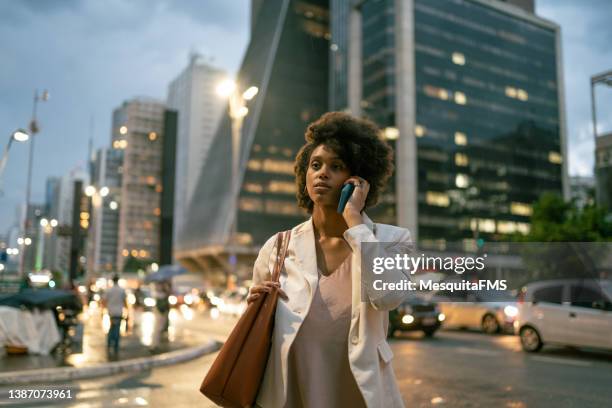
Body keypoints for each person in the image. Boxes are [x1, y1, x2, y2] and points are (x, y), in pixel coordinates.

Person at [248, 112, 413, 408]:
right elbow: (261, 327)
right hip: (290, 393)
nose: (322, 173)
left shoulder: (391, 240)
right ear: (304, 175)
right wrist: (255, 304)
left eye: (336, 166)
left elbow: (388, 296)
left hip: (358, 394)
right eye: (315, 165)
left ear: (359, 180)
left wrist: (354, 222)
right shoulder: (277, 247)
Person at [103, 274, 127, 356]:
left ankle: (109, 343)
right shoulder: (121, 290)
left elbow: (104, 300)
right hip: (119, 311)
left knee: (112, 327)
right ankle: (116, 345)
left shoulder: (109, 290)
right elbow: (125, 301)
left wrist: (104, 309)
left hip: (111, 311)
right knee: (117, 328)